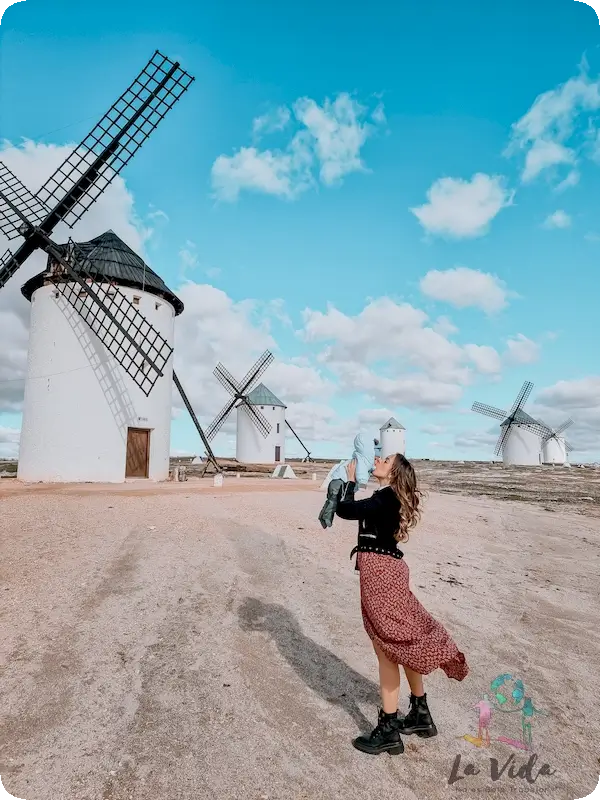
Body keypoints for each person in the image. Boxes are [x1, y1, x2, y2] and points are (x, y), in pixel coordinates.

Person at [336, 453, 469, 756]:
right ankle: (420, 714)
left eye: (385, 459)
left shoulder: (385, 497)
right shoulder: (388, 497)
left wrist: (351, 481)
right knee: (403, 641)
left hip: (382, 574)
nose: (378, 458)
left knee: (387, 650)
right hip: (387, 571)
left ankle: (388, 731)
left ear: (394, 473)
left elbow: (345, 510)